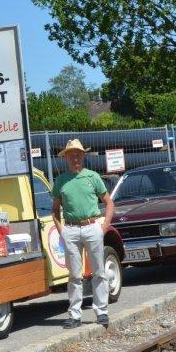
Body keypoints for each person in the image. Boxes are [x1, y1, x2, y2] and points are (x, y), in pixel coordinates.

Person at [51, 139, 115, 329]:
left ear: (83, 156)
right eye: (71, 155)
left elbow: (109, 203)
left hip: (92, 226)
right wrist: (62, 230)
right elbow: (55, 209)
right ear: (66, 158)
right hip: (71, 229)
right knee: (74, 274)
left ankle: (101, 311)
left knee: (98, 271)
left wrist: (104, 226)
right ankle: (75, 315)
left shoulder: (92, 177)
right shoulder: (61, 181)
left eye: (78, 154)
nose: (75, 158)